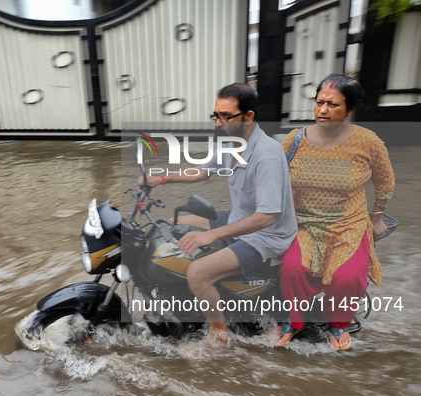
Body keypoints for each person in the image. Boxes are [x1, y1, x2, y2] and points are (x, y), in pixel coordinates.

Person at [140, 83, 297, 345]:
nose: (218, 122)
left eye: (226, 116)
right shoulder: (230, 144)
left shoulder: (266, 155)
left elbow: (266, 218)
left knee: (198, 273)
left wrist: (210, 236)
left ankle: (218, 336)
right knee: (175, 222)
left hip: (267, 236)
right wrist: (162, 178)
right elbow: (202, 171)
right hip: (239, 217)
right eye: (216, 115)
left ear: (248, 117)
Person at [274, 73, 395, 351]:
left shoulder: (367, 142)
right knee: (291, 269)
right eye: (319, 102)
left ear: (349, 109)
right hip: (304, 223)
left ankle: (338, 324)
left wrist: (375, 218)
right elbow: (274, 176)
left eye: (332, 105)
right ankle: (294, 321)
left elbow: (385, 181)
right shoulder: (295, 140)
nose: (323, 110)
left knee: (347, 277)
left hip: (348, 224)